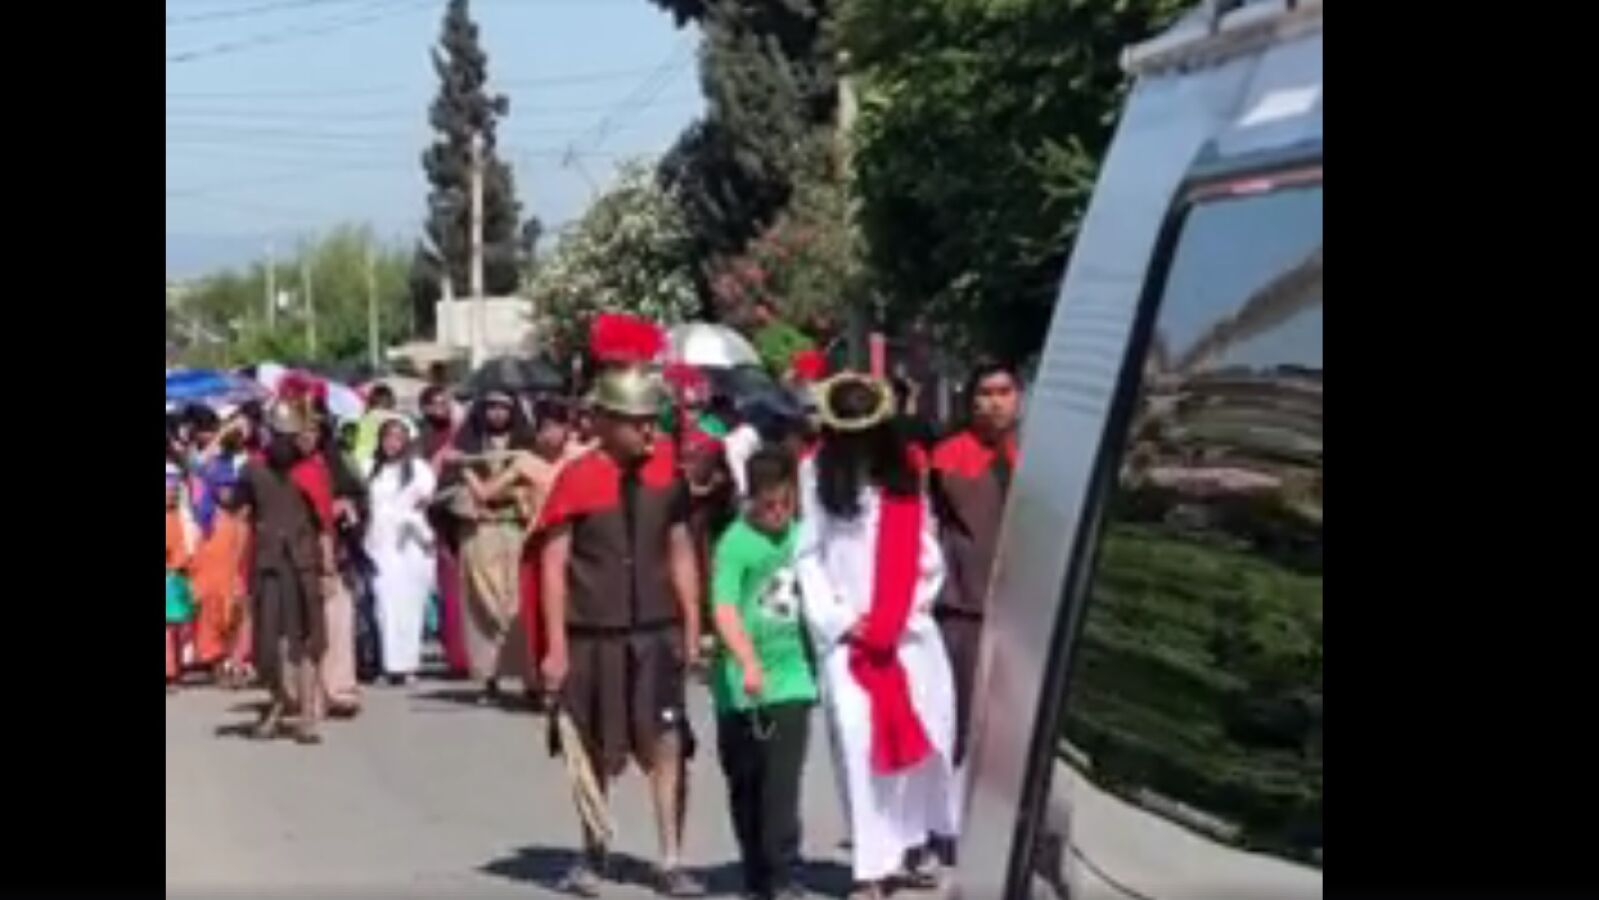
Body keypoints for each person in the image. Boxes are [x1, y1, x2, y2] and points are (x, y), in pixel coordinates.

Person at [536, 363, 705, 897]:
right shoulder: (576, 477)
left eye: (653, 420)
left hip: (656, 631)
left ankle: (671, 859)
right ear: (606, 422)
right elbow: (553, 565)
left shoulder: (667, 475)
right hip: (593, 633)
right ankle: (592, 852)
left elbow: (681, 551)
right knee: (590, 746)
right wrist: (555, 648)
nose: (649, 431)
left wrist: (692, 625)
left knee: (668, 743)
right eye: (637, 421)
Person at [793, 372, 958, 900]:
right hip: (850, 640)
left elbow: (926, 548)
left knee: (926, 736)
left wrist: (910, 606)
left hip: (908, 631)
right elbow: (807, 556)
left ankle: (912, 843)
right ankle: (871, 868)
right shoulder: (815, 473)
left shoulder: (905, 472)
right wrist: (842, 620)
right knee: (858, 744)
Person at [711, 447, 817, 900]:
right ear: (750, 498)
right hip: (742, 683)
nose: (778, 514)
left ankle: (782, 872)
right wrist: (747, 660)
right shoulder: (734, 544)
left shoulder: (803, 537)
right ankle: (756, 870)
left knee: (782, 783)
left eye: (785, 503)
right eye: (768, 505)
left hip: (792, 676)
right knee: (747, 783)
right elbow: (725, 609)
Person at [929, 360, 1023, 849]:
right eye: (984, 393)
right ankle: (946, 824)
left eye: (1003, 392)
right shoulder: (948, 457)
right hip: (962, 608)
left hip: (1024, 609)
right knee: (958, 720)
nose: (994, 403)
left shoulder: (1034, 455)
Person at [240, 399, 329, 744]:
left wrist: (329, 571)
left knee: (306, 643)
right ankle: (278, 703)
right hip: (267, 564)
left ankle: (306, 716)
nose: (283, 443)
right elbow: (234, 508)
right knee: (267, 645)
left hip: (302, 565)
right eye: (277, 435)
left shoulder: (311, 471)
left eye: (288, 436)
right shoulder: (253, 470)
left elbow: (324, 526)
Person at [450, 388, 538, 702]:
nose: (497, 413)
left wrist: (508, 493)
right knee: (484, 605)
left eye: (503, 407)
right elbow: (464, 493)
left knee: (517, 604)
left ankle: (530, 678)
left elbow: (531, 488)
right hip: (480, 534)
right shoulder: (467, 449)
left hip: (516, 533)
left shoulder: (527, 448)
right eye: (491, 407)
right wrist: (478, 489)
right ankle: (489, 677)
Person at [364, 414, 438, 685]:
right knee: (384, 604)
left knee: (410, 604)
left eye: (398, 437)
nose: (392, 443)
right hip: (380, 542)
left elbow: (424, 499)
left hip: (410, 545)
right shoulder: (370, 467)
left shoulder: (419, 468)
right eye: (388, 437)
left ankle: (407, 665)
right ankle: (387, 664)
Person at [191, 466, 250, 683]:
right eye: (223, 487)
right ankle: (218, 667)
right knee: (211, 624)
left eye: (230, 487)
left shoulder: (238, 517)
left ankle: (231, 664)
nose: (227, 492)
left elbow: (240, 551)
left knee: (232, 621)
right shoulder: (206, 516)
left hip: (231, 578)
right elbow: (197, 550)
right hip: (209, 580)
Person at [167, 464, 199, 690]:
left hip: (181, 576)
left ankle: (176, 668)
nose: (171, 494)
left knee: (181, 627)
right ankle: (169, 672)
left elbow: (192, 544)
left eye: (174, 490)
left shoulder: (185, 516)